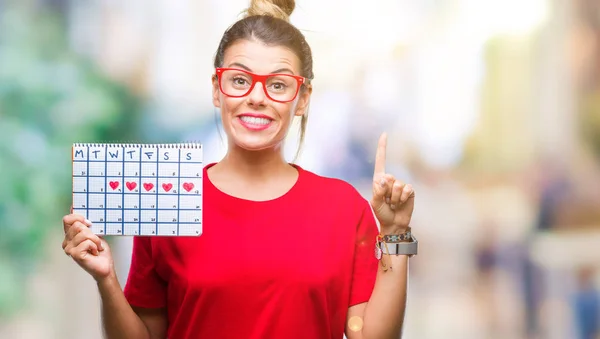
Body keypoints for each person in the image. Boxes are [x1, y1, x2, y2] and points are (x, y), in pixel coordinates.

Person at [61, 0, 417, 338]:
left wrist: (396, 233)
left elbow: (367, 335)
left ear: (302, 99)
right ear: (218, 89)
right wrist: (105, 279)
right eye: (240, 80)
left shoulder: (343, 207)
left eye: (278, 85)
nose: (257, 97)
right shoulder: (168, 201)